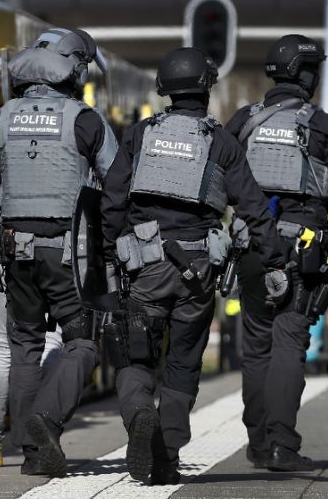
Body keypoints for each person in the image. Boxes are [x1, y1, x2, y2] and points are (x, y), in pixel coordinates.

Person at [100, 47, 288, 485]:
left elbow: (112, 198)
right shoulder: (220, 141)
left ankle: (138, 414)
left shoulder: (140, 134)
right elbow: (254, 209)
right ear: (206, 87)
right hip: (197, 271)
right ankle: (166, 454)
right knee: (184, 362)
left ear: (165, 88)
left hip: (143, 267)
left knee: (135, 356)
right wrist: (275, 261)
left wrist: (109, 251)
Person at [0, 27, 116, 477]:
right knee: (83, 343)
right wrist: (111, 248)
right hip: (67, 258)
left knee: (24, 347)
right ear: (73, 69)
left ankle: (32, 455)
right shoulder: (85, 120)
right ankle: (45, 421)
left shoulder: (1, 120)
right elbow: (117, 184)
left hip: (14, 255)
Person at [226, 34, 328, 471]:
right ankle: (283, 445)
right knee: (289, 341)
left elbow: (217, 176)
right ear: (307, 75)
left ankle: (258, 443)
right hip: (300, 247)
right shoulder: (320, 124)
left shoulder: (243, 120)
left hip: (249, 244)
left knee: (257, 345)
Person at [0, 295, 63, 467]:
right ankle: (45, 429)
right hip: (55, 271)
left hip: (7, 272)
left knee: (4, 346)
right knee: (50, 340)